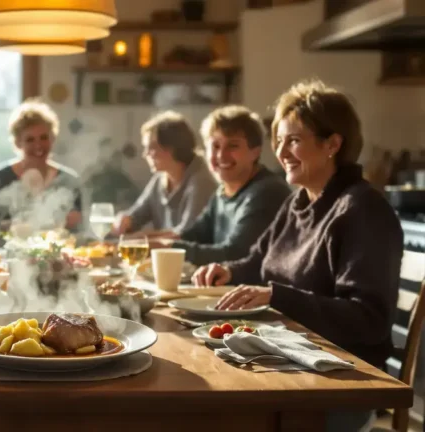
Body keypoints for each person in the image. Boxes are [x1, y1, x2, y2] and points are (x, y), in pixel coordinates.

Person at [193, 80, 402, 379]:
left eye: (293, 140)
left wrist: (276, 296)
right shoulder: (298, 202)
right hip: (284, 356)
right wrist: (227, 271)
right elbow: (257, 261)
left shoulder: (363, 210)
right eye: (278, 141)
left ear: (332, 144)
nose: (281, 153)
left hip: (342, 375)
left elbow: (368, 320)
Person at [154, 105, 292, 266]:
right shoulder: (223, 191)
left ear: (255, 151)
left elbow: (234, 254)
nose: (221, 155)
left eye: (233, 146)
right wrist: (144, 243)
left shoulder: (267, 192)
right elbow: (194, 235)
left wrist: (166, 248)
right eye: (215, 146)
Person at [0, 99, 83, 234]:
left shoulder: (69, 181)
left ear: (52, 138)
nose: (38, 145)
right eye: (30, 140)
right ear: (18, 143)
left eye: (44, 137)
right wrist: (12, 226)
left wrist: (77, 222)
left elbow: (84, 232)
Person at [113, 110, 217, 235]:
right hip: (165, 254)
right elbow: (136, 215)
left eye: (152, 147)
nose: (145, 154)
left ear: (172, 147)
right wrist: (124, 220)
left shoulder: (201, 181)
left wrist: (142, 238)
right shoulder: (161, 179)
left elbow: (187, 234)